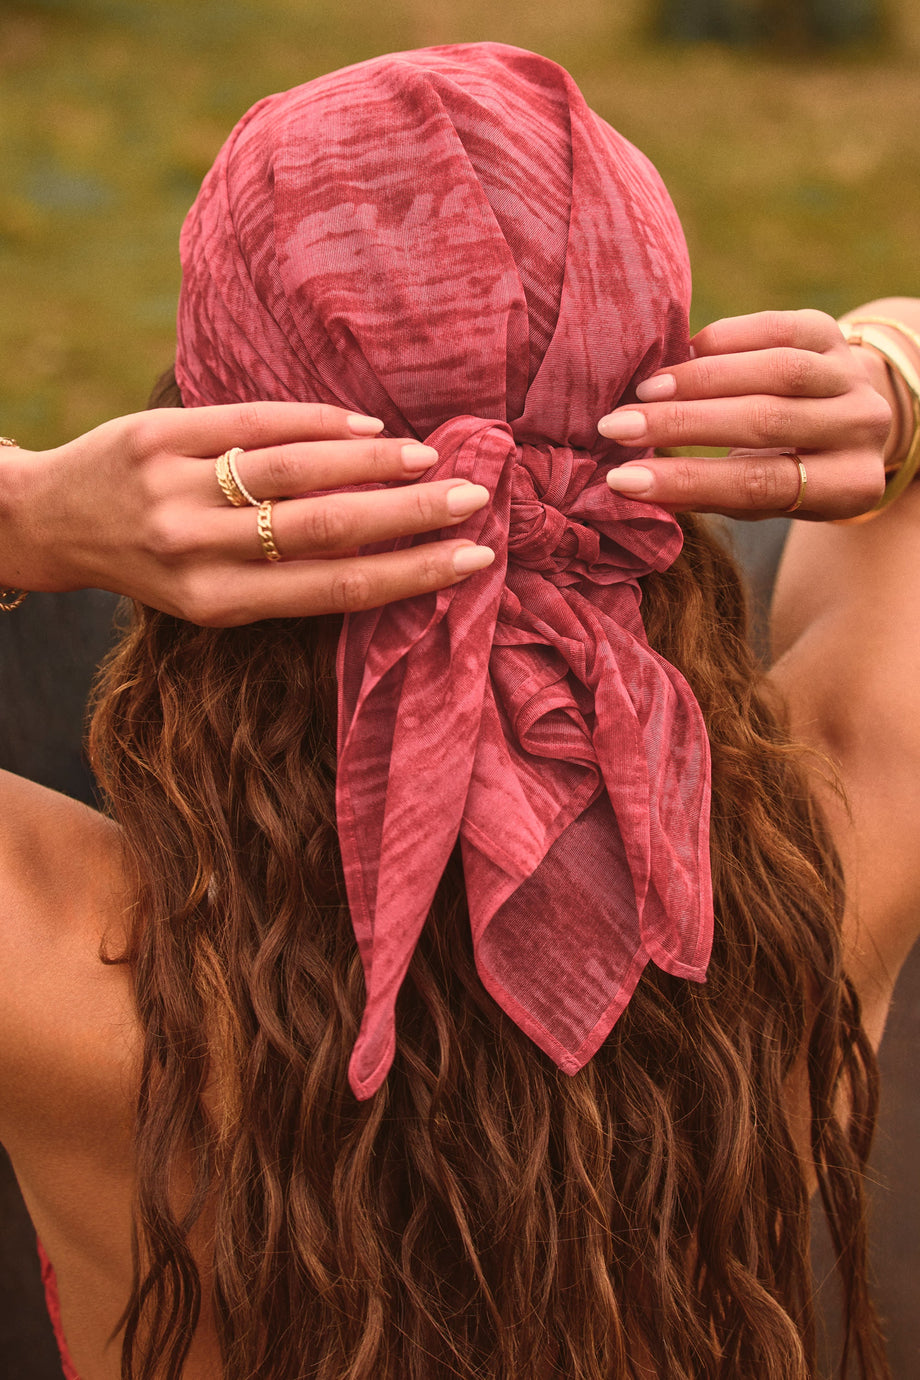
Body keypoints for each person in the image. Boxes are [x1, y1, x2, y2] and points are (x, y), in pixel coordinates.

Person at [0, 41, 914, 1380]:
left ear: (205, 442)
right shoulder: (823, 869)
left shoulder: (66, 958)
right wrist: (886, 378)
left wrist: (29, 516)